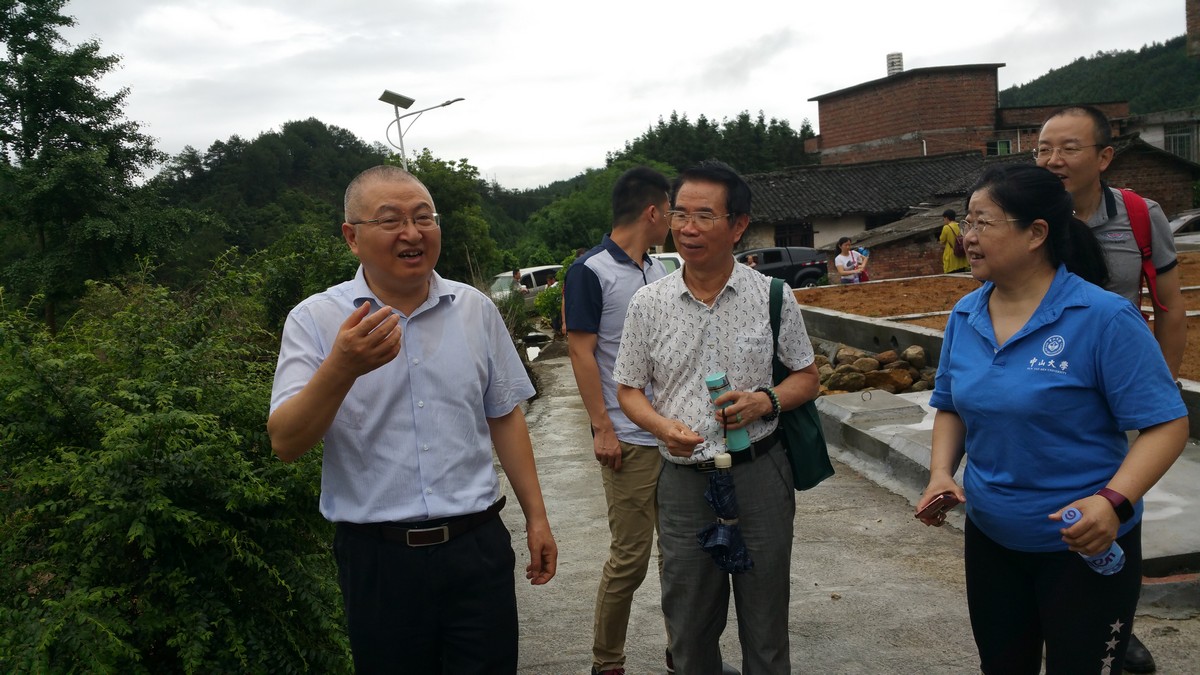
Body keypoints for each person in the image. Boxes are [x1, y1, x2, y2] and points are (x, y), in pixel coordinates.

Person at [267, 165, 557, 673]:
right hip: (379, 560)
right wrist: (342, 367)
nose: (412, 233)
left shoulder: (475, 309)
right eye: (391, 220)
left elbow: (504, 417)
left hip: (477, 547)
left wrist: (536, 517)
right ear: (352, 237)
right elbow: (286, 443)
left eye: (424, 218)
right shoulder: (315, 320)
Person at [916, 164, 1188, 673]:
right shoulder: (965, 314)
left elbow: (1167, 424)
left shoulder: (1103, 317)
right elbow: (951, 404)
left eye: (982, 223)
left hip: (1085, 543)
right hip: (992, 540)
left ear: (1036, 233)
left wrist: (1112, 502)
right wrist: (940, 474)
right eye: (967, 223)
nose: (967, 237)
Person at [613, 160, 820, 674]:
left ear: (738, 225)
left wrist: (765, 401)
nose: (688, 228)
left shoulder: (771, 295)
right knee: (689, 625)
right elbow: (629, 389)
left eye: (704, 216)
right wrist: (661, 427)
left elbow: (806, 377)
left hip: (761, 473)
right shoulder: (648, 303)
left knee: (766, 622)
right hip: (684, 482)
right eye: (680, 214)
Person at [1036, 104, 1189, 672]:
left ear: (1103, 157)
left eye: (1068, 148)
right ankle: (1047, 613)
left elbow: (1169, 306)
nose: (1053, 160)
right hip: (1044, 387)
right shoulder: (1027, 213)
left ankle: (1116, 624)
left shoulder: (1140, 216)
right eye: (1043, 149)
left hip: (1114, 389)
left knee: (1115, 500)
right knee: (1046, 500)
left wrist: (1159, 392)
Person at [564, 166, 673, 675]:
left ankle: (683, 651)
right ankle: (607, 662)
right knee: (630, 558)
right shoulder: (590, 271)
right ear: (652, 212)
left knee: (680, 554)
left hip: (671, 435)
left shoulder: (658, 269)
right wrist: (601, 427)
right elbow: (581, 352)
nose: (673, 220)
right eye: (670, 210)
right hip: (627, 438)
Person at [939, 209, 969, 273]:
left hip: (952, 258)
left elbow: (942, 240)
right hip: (962, 256)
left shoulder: (946, 228)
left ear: (946, 218)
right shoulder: (960, 225)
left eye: (944, 219)